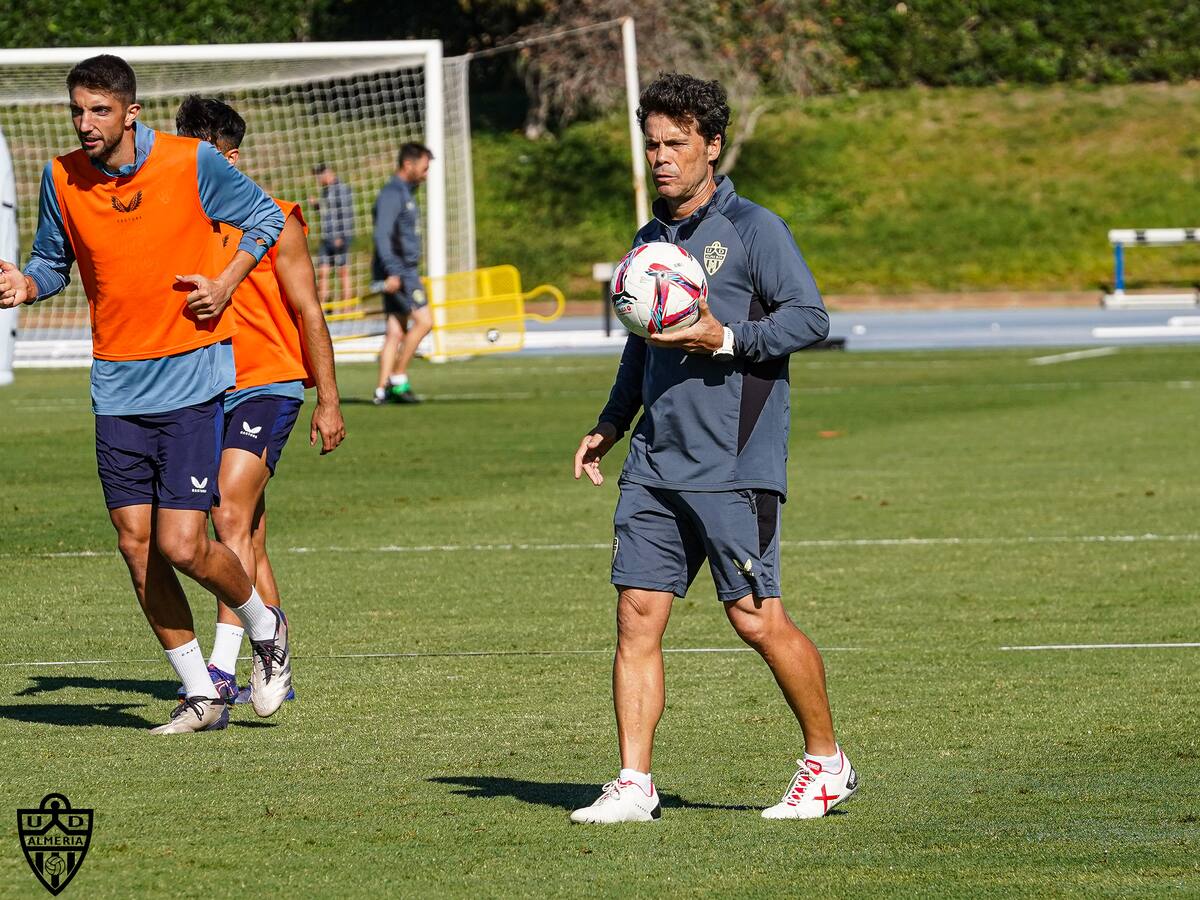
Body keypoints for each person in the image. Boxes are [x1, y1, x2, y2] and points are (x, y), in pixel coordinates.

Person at [569, 72, 856, 822]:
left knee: (756, 618)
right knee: (637, 614)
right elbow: (641, 347)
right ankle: (634, 783)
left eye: (677, 143)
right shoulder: (649, 241)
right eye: (652, 144)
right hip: (655, 462)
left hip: (733, 463)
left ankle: (827, 763)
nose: (662, 157)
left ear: (712, 146)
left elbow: (810, 318)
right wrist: (611, 423)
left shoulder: (756, 229)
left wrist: (727, 338)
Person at [0, 54, 293, 734]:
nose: (86, 123)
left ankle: (265, 627)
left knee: (183, 544)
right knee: (137, 547)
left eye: (99, 111)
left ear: (131, 112)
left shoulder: (192, 162)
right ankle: (201, 696)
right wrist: (26, 285)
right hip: (115, 387)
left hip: (190, 378)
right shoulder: (61, 177)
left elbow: (264, 218)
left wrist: (226, 282)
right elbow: (52, 262)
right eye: (77, 111)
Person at [176, 96, 346, 704]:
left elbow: (309, 311)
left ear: (229, 159)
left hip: (267, 383)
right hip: (201, 388)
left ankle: (221, 671)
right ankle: (275, 656)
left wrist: (329, 399)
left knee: (226, 515)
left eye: (203, 156)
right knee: (246, 531)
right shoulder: (179, 224)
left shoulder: (276, 219)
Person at [371, 142, 433, 405]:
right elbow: (382, 235)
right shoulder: (392, 193)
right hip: (399, 272)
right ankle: (397, 379)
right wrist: (393, 272)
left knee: (395, 331)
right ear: (408, 164)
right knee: (425, 321)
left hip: (400, 270)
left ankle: (381, 390)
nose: (426, 174)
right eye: (424, 168)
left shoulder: (405, 191)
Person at [311, 163, 354, 305]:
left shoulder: (341, 189)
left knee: (343, 271)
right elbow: (328, 213)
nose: (318, 180)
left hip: (339, 237)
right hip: (327, 237)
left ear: (327, 173)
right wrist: (317, 205)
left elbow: (345, 214)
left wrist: (341, 236)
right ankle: (323, 306)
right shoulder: (326, 190)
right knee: (322, 272)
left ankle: (346, 307)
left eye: (319, 176)